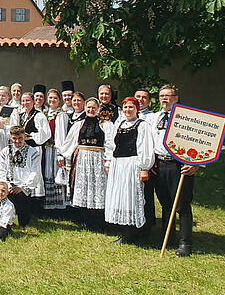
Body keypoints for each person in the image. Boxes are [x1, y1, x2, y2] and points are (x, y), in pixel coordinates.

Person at [146, 84, 198, 256]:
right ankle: (167, 237)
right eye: (161, 96)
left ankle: (185, 244)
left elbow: (201, 142)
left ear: (176, 98)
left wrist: (196, 164)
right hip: (160, 165)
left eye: (168, 96)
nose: (164, 99)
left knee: (182, 205)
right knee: (166, 203)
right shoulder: (153, 118)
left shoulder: (187, 119)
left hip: (180, 166)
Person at [104, 97, 155, 245]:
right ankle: (123, 230)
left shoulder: (142, 125)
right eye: (125, 107)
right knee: (120, 197)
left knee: (131, 197)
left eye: (131, 107)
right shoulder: (119, 124)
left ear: (137, 109)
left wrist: (144, 168)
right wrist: (109, 162)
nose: (128, 110)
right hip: (118, 165)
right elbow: (111, 145)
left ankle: (133, 232)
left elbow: (145, 147)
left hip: (132, 164)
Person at [59, 97, 112, 230]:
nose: (91, 110)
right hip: (82, 160)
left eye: (94, 108)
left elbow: (110, 144)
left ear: (98, 109)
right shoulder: (79, 124)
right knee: (84, 188)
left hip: (98, 160)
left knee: (98, 189)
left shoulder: (105, 125)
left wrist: (108, 161)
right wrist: (63, 155)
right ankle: (86, 220)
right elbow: (69, 142)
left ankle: (99, 221)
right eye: (88, 107)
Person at [0, 126, 43, 227]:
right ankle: (6, 222)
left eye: (20, 138)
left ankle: (23, 224)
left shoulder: (33, 152)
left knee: (23, 201)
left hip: (23, 186)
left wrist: (21, 188)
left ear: (24, 137)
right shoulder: (5, 151)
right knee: (4, 200)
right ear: (10, 137)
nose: (17, 141)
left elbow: (35, 173)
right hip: (9, 186)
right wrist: (6, 186)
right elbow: (0, 169)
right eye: (14, 138)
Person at [42, 89, 68, 211]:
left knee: (56, 175)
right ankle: (49, 205)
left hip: (55, 149)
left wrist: (60, 153)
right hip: (46, 149)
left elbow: (61, 135)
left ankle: (59, 206)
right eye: (50, 98)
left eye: (55, 98)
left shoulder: (61, 115)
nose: (52, 100)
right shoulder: (46, 113)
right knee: (48, 174)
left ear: (59, 100)